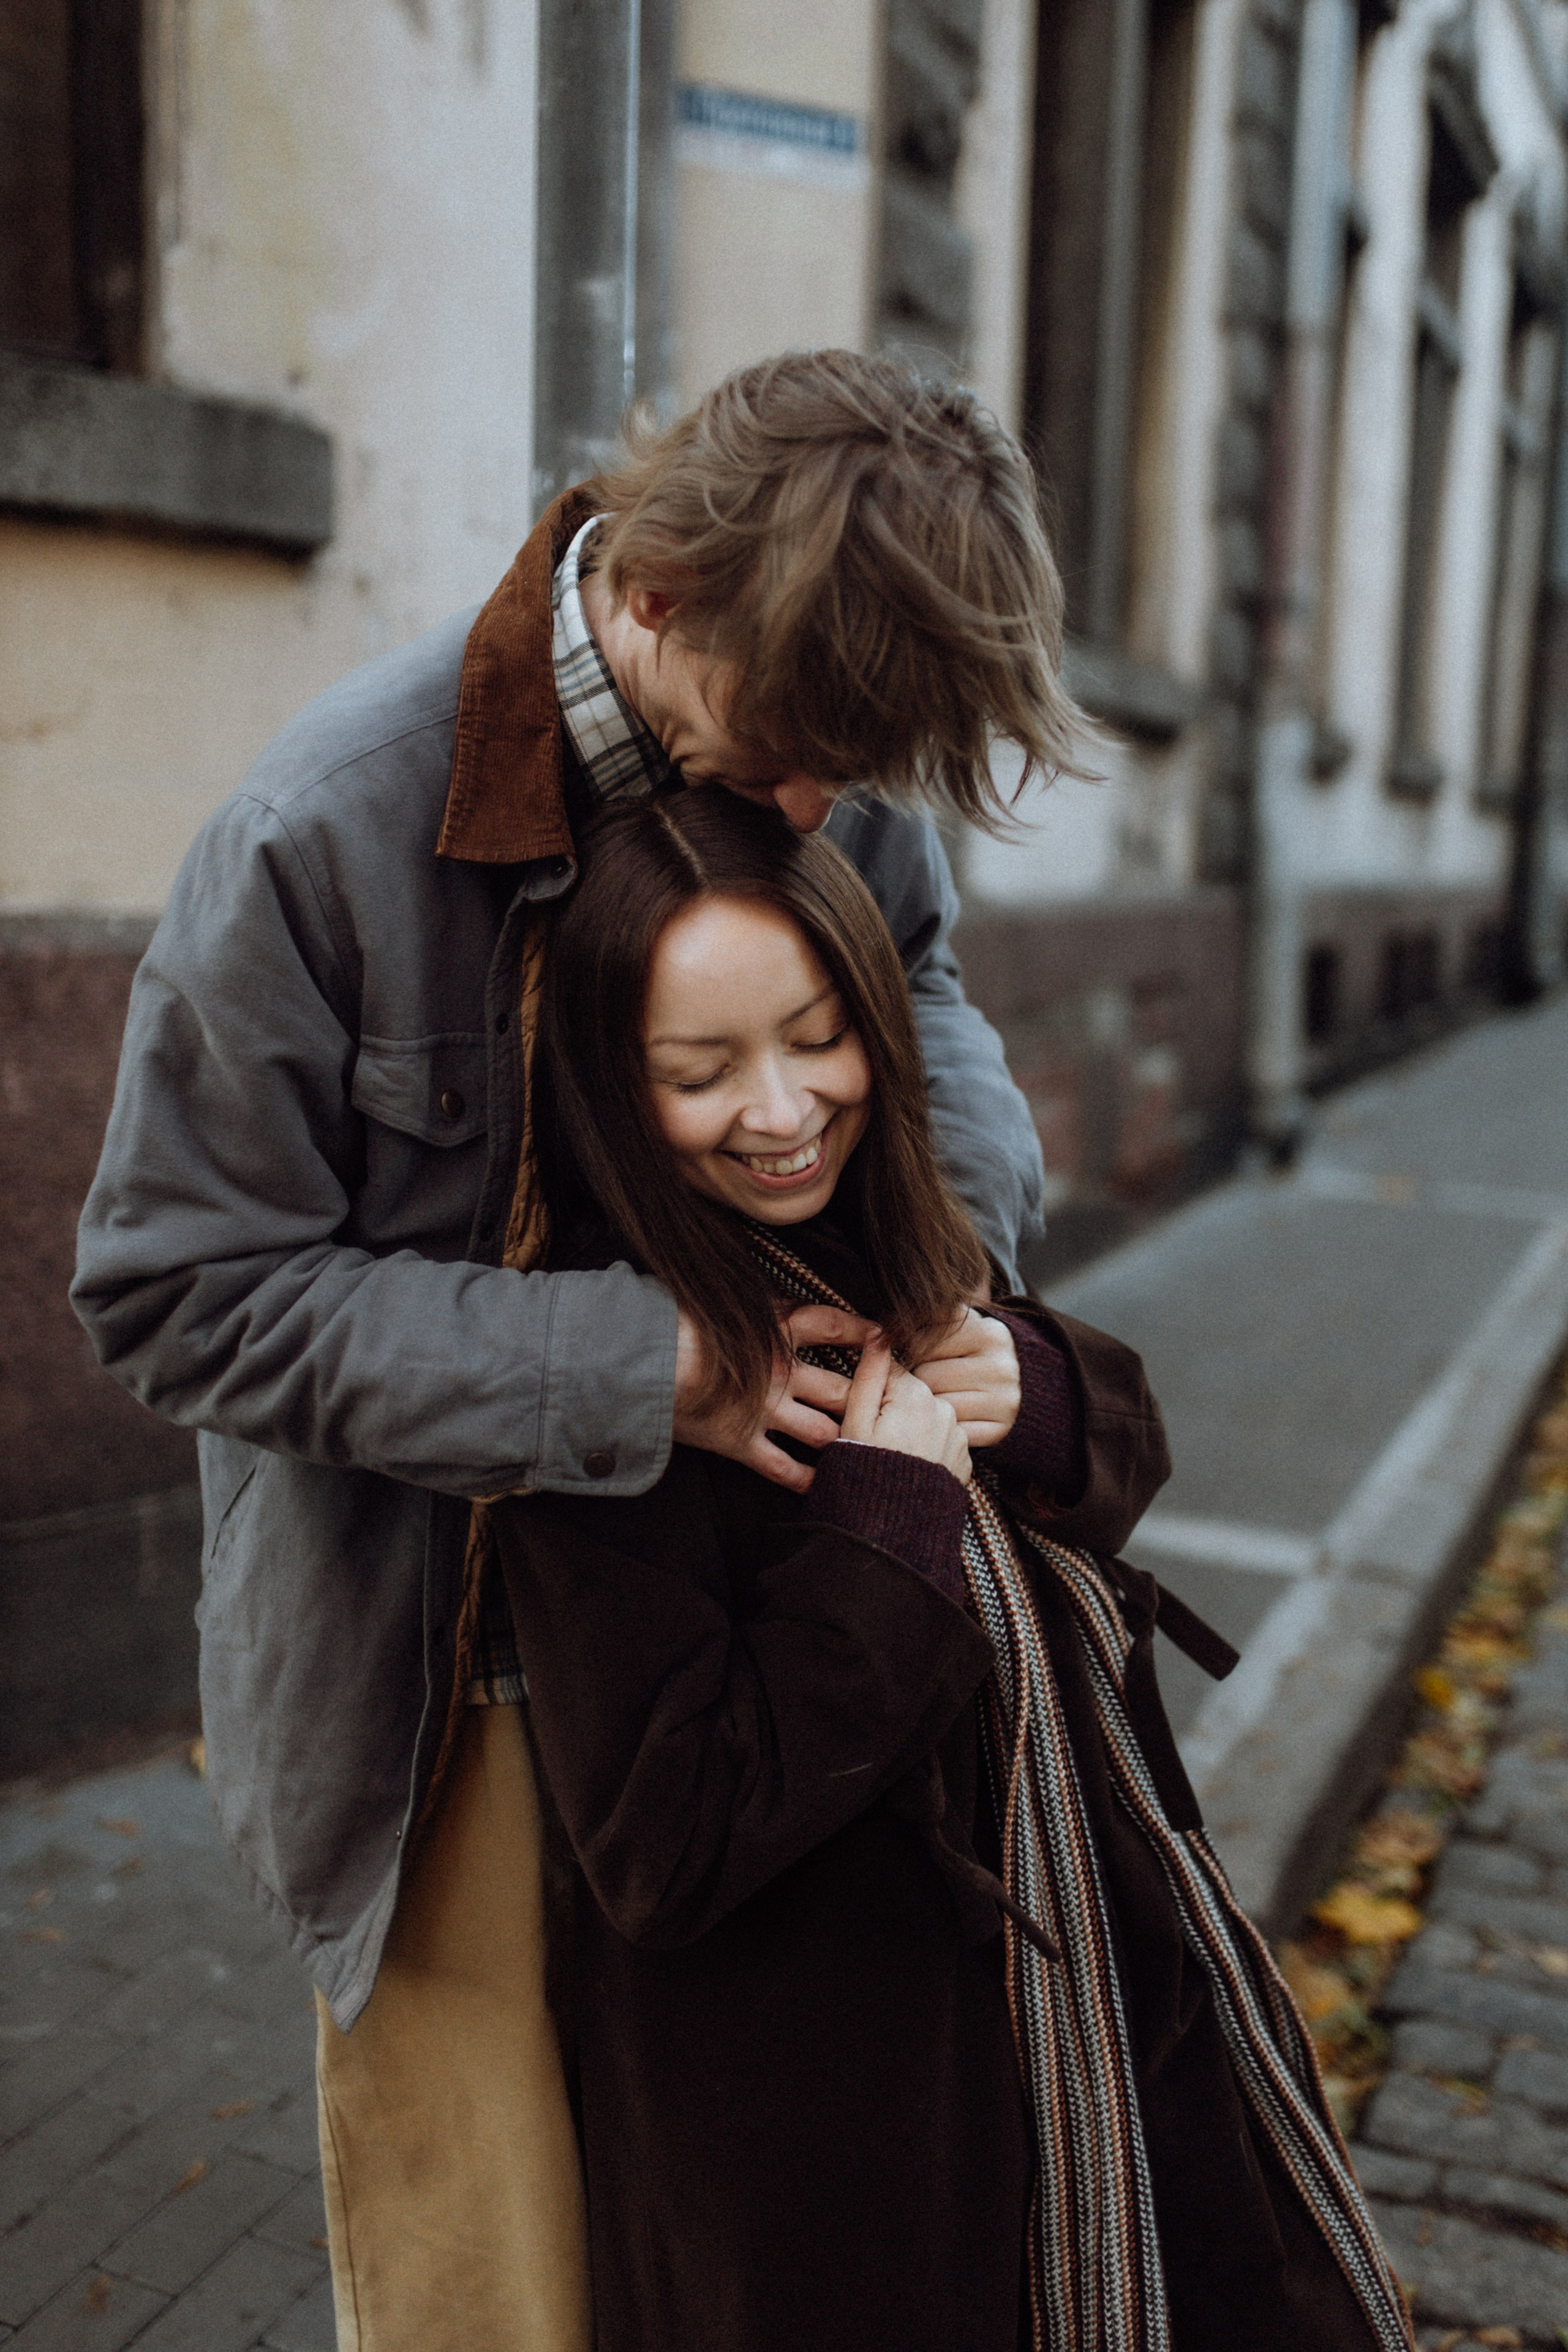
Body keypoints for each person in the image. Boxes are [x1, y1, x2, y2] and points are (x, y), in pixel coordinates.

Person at [72, 349, 1095, 2346]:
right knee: (498, 2299)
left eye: (854, 782)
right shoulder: (317, 834)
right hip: (445, 1697)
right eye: (801, 755)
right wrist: (654, 1369)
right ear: (660, 596)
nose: (819, 812)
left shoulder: (817, 737)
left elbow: (932, 1010)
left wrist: (944, 1264)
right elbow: (176, 1291)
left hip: (763, 1657)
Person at [500, 789, 1414, 2352]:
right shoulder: (613, 1386)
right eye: (698, 1073)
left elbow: (1109, 1465)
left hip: (1088, 1994)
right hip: (828, 2123)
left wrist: (1039, 1389)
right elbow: (663, 1839)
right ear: (608, 1084)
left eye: (816, 1038)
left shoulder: (892, 1232)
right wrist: (882, 1539)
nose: (781, 1111)